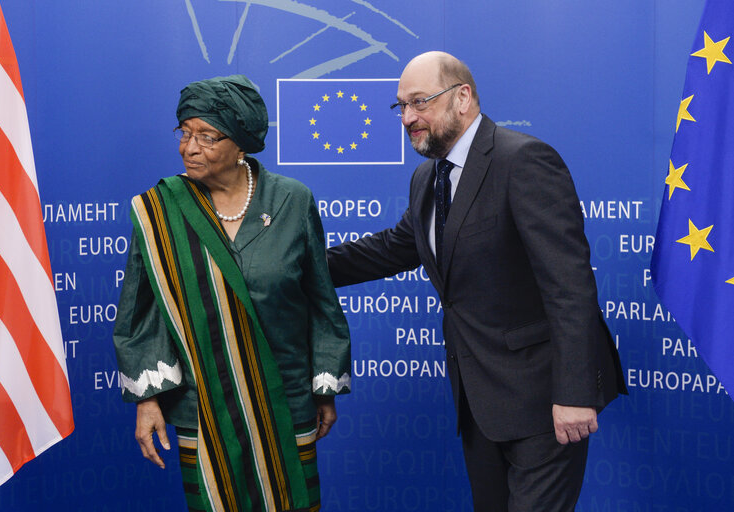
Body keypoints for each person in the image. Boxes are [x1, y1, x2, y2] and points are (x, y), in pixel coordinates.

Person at [326, 51, 627, 511]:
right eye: (400, 106)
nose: (408, 117)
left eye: (420, 102)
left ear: (462, 97)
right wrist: (296, 265)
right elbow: (392, 248)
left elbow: (570, 288)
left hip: (544, 403)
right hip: (478, 405)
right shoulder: (428, 177)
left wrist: (574, 393)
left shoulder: (523, 161)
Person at [113, 75, 350, 512]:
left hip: (286, 399)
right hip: (202, 408)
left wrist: (325, 388)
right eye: (184, 133)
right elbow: (138, 313)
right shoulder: (158, 210)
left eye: (206, 136)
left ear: (240, 143)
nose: (189, 147)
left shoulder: (292, 200)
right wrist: (146, 401)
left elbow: (320, 300)